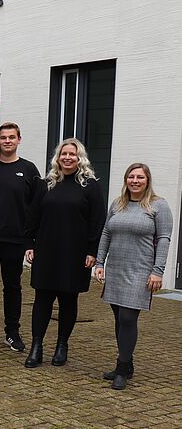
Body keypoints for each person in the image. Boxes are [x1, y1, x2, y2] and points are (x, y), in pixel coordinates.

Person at [23, 138, 106, 368]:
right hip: (46, 251)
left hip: (75, 253)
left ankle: (62, 345)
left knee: (68, 299)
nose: (68, 158)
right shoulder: (46, 184)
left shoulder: (91, 186)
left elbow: (97, 221)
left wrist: (92, 251)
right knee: (42, 299)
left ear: (80, 158)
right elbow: (32, 217)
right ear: (57, 157)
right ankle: (36, 347)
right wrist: (29, 244)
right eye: (63, 154)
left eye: (73, 154)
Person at [95, 163, 173, 389]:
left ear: (147, 180)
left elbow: (164, 239)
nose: (135, 181)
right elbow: (106, 232)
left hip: (140, 271)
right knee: (119, 318)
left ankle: (122, 368)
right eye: (131, 176)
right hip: (116, 268)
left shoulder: (158, 206)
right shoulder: (118, 204)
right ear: (126, 179)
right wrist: (100, 262)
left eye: (140, 177)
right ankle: (127, 362)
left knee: (128, 318)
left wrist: (157, 272)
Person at [0, 122, 40, 351]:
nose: (7, 141)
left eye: (11, 137)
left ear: (19, 140)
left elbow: (37, 207)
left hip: (15, 240)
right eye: (3, 138)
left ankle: (12, 333)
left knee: (12, 287)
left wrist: (31, 241)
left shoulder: (28, 170)